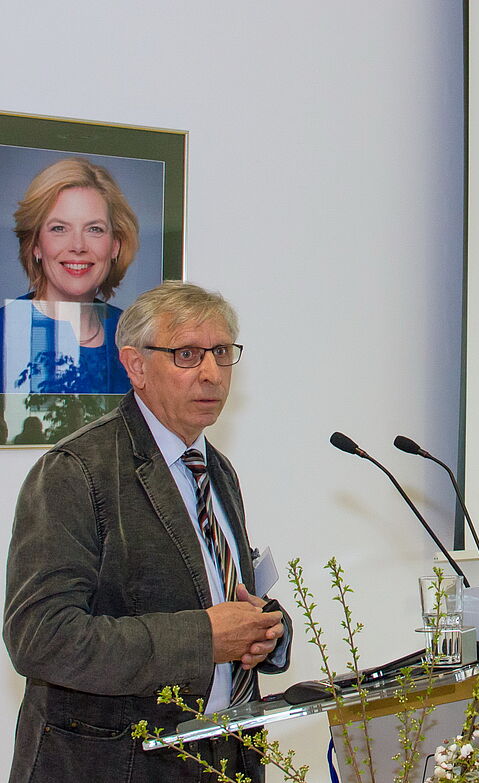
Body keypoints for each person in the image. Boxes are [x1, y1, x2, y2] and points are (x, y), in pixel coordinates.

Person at [3, 281, 291, 781]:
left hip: (224, 757)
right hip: (117, 764)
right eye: (187, 354)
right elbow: (41, 637)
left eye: (221, 352)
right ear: (136, 366)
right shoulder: (76, 469)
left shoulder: (214, 470)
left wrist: (264, 630)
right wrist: (205, 637)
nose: (210, 373)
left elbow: (217, 593)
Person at [0, 156, 139, 394]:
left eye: (94, 229)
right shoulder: (4, 330)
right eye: (59, 228)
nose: (77, 246)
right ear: (35, 245)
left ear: (115, 245)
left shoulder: (137, 335)